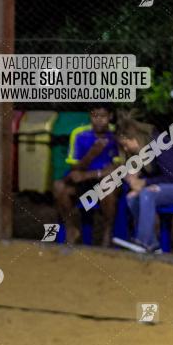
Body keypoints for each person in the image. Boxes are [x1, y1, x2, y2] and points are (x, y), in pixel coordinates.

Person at [113, 115, 173, 253]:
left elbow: (172, 176)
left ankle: (145, 243)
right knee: (132, 198)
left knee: (146, 193)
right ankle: (150, 244)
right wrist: (134, 179)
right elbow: (153, 177)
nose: (125, 149)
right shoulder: (140, 154)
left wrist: (145, 183)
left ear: (135, 138)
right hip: (170, 187)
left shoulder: (160, 143)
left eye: (125, 144)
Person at [53, 104, 122, 246]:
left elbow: (116, 168)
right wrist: (92, 154)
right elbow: (74, 167)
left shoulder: (116, 135)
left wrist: (89, 174)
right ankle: (71, 229)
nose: (99, 120)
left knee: (108, 187)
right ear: (90, 116)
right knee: (59, 187)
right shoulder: (79, 134)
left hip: (103, 183)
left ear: (110, 117)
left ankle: (107, 233)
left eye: (103, 116)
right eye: (95, 116)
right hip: (82, 183)